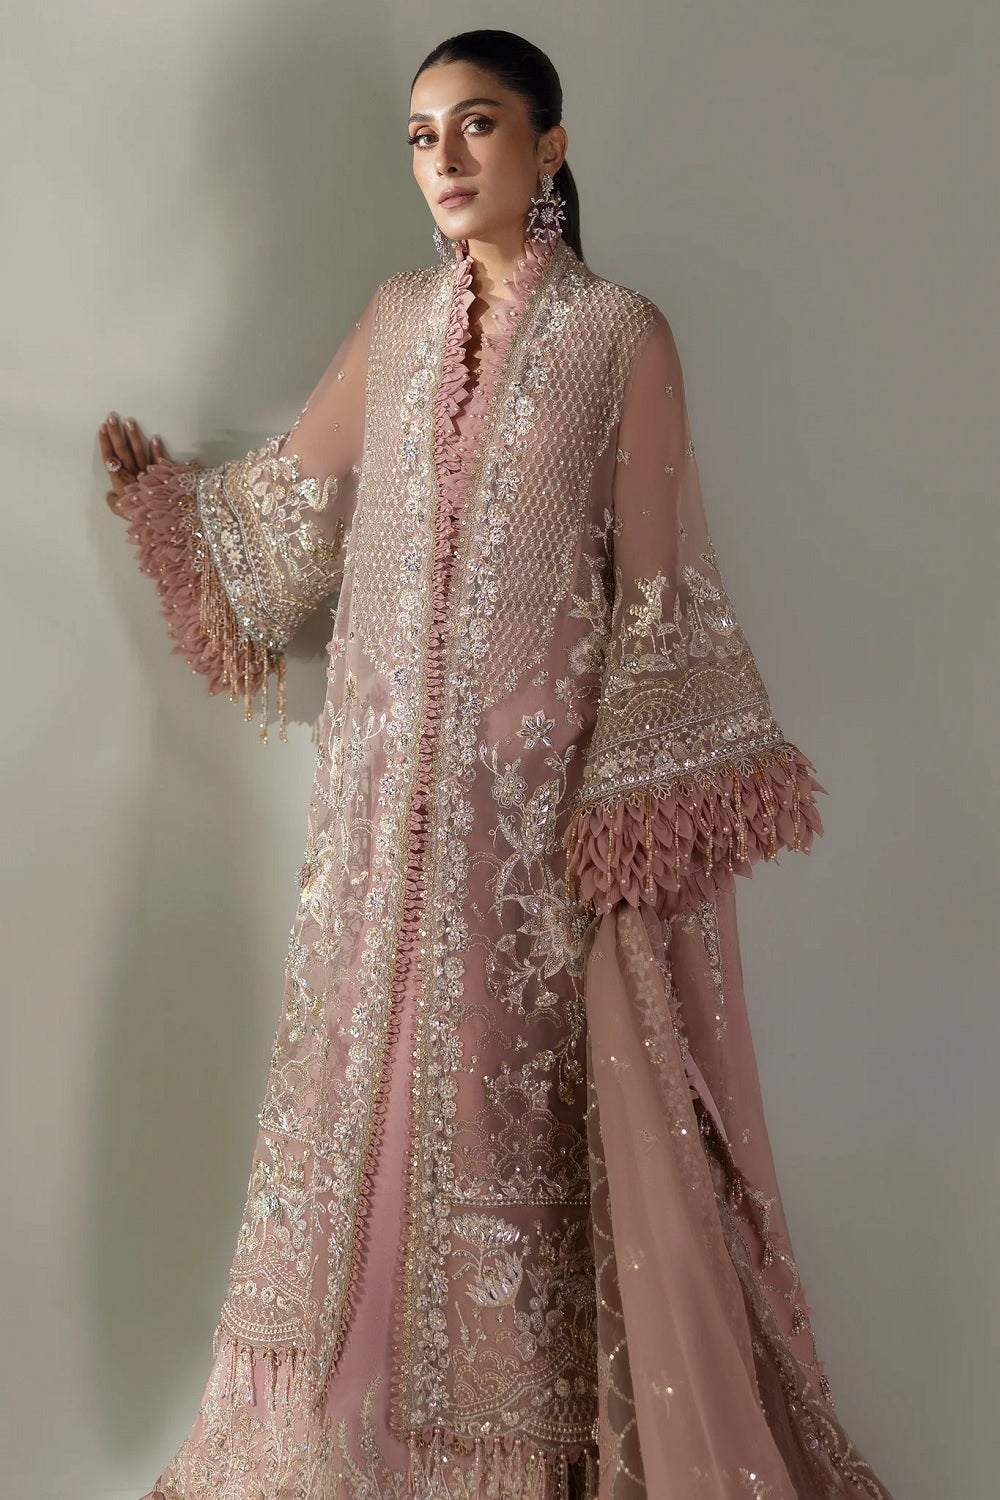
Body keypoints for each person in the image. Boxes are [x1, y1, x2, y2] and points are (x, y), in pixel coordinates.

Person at [99, 27, 897, 1500]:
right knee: (351, 1105)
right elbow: (291, 509)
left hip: (530, 831)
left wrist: (619, 815)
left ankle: (502, 1460)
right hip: (373, 818)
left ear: (552, 146)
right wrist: (174, 508)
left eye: (476, 125)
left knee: (493, 1116)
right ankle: (332, 1440)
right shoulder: (396, 323)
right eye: (421, 136)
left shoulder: (622, 339)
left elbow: (660, 592)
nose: (446, 160)